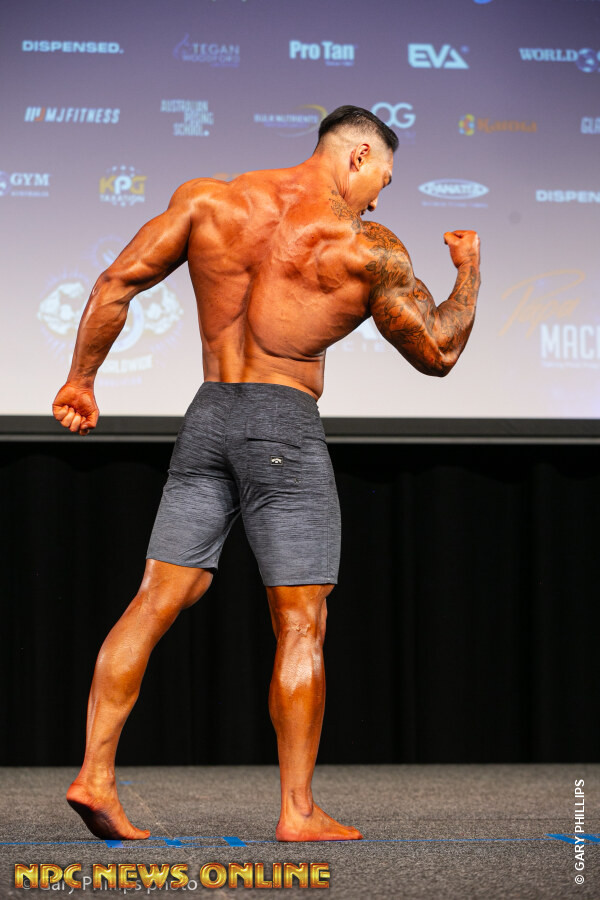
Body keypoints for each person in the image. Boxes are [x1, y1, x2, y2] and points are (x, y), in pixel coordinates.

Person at [52, 105, 481, 843]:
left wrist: (81, 380)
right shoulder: (363, 244)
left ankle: (94, 773)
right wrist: (469, 270)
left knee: (156, 597)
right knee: (301, 621)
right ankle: (298, 811)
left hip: (208, 416)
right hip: (283, 421)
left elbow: (115, 282)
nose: (378, 199)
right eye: (382, 179)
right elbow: (438, 351)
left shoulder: (209, 200)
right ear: (357, 157)